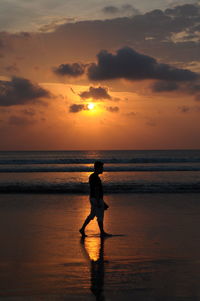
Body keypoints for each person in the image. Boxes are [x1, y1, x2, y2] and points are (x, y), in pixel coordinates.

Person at [79, 161, 111, 237]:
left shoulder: (93, 176)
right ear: (98, 168)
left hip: (94, 198)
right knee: (100, 215)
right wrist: (98, 201)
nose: (103, 169)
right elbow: (96, 189)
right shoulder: (95, 177)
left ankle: (82, 229)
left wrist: (102, 202)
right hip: (96, 199)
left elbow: (95, 189)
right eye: (101, 168)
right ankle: (102, 232)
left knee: (92, 215)